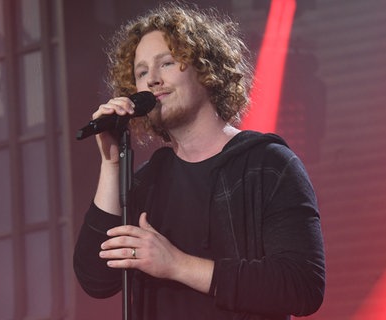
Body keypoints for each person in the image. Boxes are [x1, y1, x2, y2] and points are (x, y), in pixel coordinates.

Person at [73, 3, 325, 320]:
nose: (151, 80)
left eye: (166, 63)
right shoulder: (146, 182)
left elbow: (302, 286)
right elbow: (96, 279)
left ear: (206, 70)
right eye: (140, 72)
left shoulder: (268, 164)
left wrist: (176, 264)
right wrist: (111, 165)